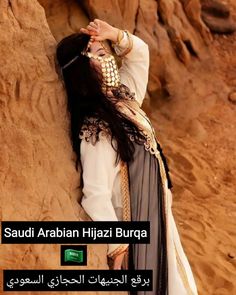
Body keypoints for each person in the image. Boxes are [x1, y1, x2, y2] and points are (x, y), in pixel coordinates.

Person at [56, 19, 198, 295]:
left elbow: (140, 54)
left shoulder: (124, 98)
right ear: (83, 72)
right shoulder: (96, 130)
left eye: (106, 51)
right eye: (98, 55)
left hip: (159, 218)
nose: (108, 58)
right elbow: (95, 194)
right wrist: (117, 245)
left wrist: (114, 35)